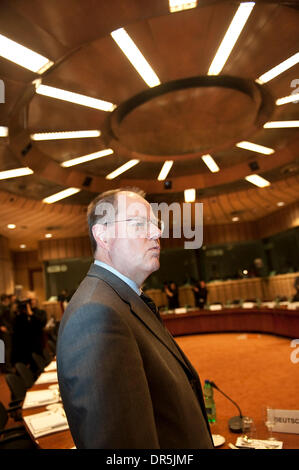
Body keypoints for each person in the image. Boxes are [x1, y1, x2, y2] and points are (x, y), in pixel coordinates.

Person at [57, 188, 213, 449]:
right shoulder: (96, 314)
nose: (156, 233)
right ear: (103, 235)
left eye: (155, 224)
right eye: (140, 224)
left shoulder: (119, 299)